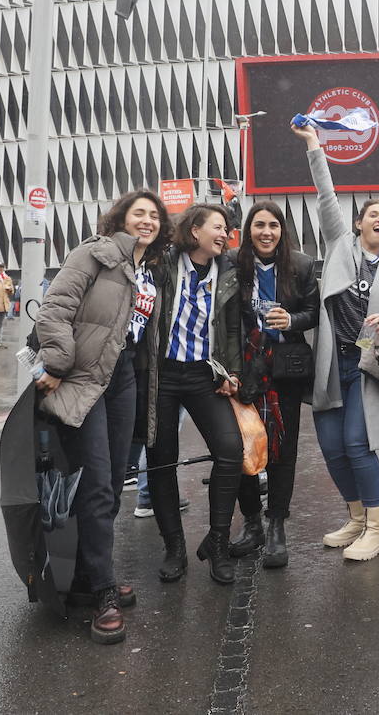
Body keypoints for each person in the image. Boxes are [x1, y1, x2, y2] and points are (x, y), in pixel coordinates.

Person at [33, 190, 170, 643]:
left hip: (124, 378)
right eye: (139, 214)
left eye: (154, 215)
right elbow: (55, 308)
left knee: (111, 483)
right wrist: (56, 362)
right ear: (121, 219)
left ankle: (91, 573)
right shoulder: (95, 253)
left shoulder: (148, 270)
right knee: (94, 482)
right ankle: (103, 592)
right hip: (85, 378)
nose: (147, 221)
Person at [293, 123, 379, 563]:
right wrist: (314, 146)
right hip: (331, 365)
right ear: (359, 223)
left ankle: (377, 530)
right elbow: (325, 193)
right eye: (374, 215)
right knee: (332, 447)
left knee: (360, 445)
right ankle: (356, 518)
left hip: (368, 366)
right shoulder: (341, 245)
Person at [143, 204, 245, 584]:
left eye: (228, 230)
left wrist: (232, 372)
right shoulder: (164, 265)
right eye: (218, 228)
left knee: (230, 450)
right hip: (163, 374)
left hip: (205, 375)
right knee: (161, 460)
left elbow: (231, 330)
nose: (225, 234)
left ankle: (217, 542)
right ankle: (174, 547)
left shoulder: (228, 272)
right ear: (195, 230)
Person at [230, 200, 321, 568]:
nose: (266, 232)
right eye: (259, 225)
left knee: (282, 449)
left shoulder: (299, 265)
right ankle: (252, 522)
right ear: (249, 229)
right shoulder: (233, 265)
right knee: (241, 447)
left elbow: (314, 313)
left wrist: (293, 320)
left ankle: (276, 526)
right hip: (244, 369)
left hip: (285, 369)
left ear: (282, 231)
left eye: (273, 225)